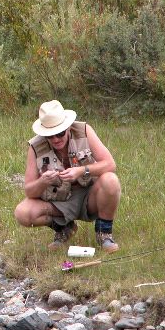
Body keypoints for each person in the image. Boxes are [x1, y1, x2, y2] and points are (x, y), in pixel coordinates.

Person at [14, 100, 121, 253]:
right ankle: (64, 228)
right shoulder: (35, 147)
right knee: (22, 213)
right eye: (50, 136)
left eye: (60, 133)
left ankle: (104, 234)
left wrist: (81, 171)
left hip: (90, 196)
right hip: (59, 202)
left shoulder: (84, 130)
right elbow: (29, 191)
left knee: (111, 180)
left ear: (68, 127)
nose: (56, 139)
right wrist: (43, 182)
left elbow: (110, 164)